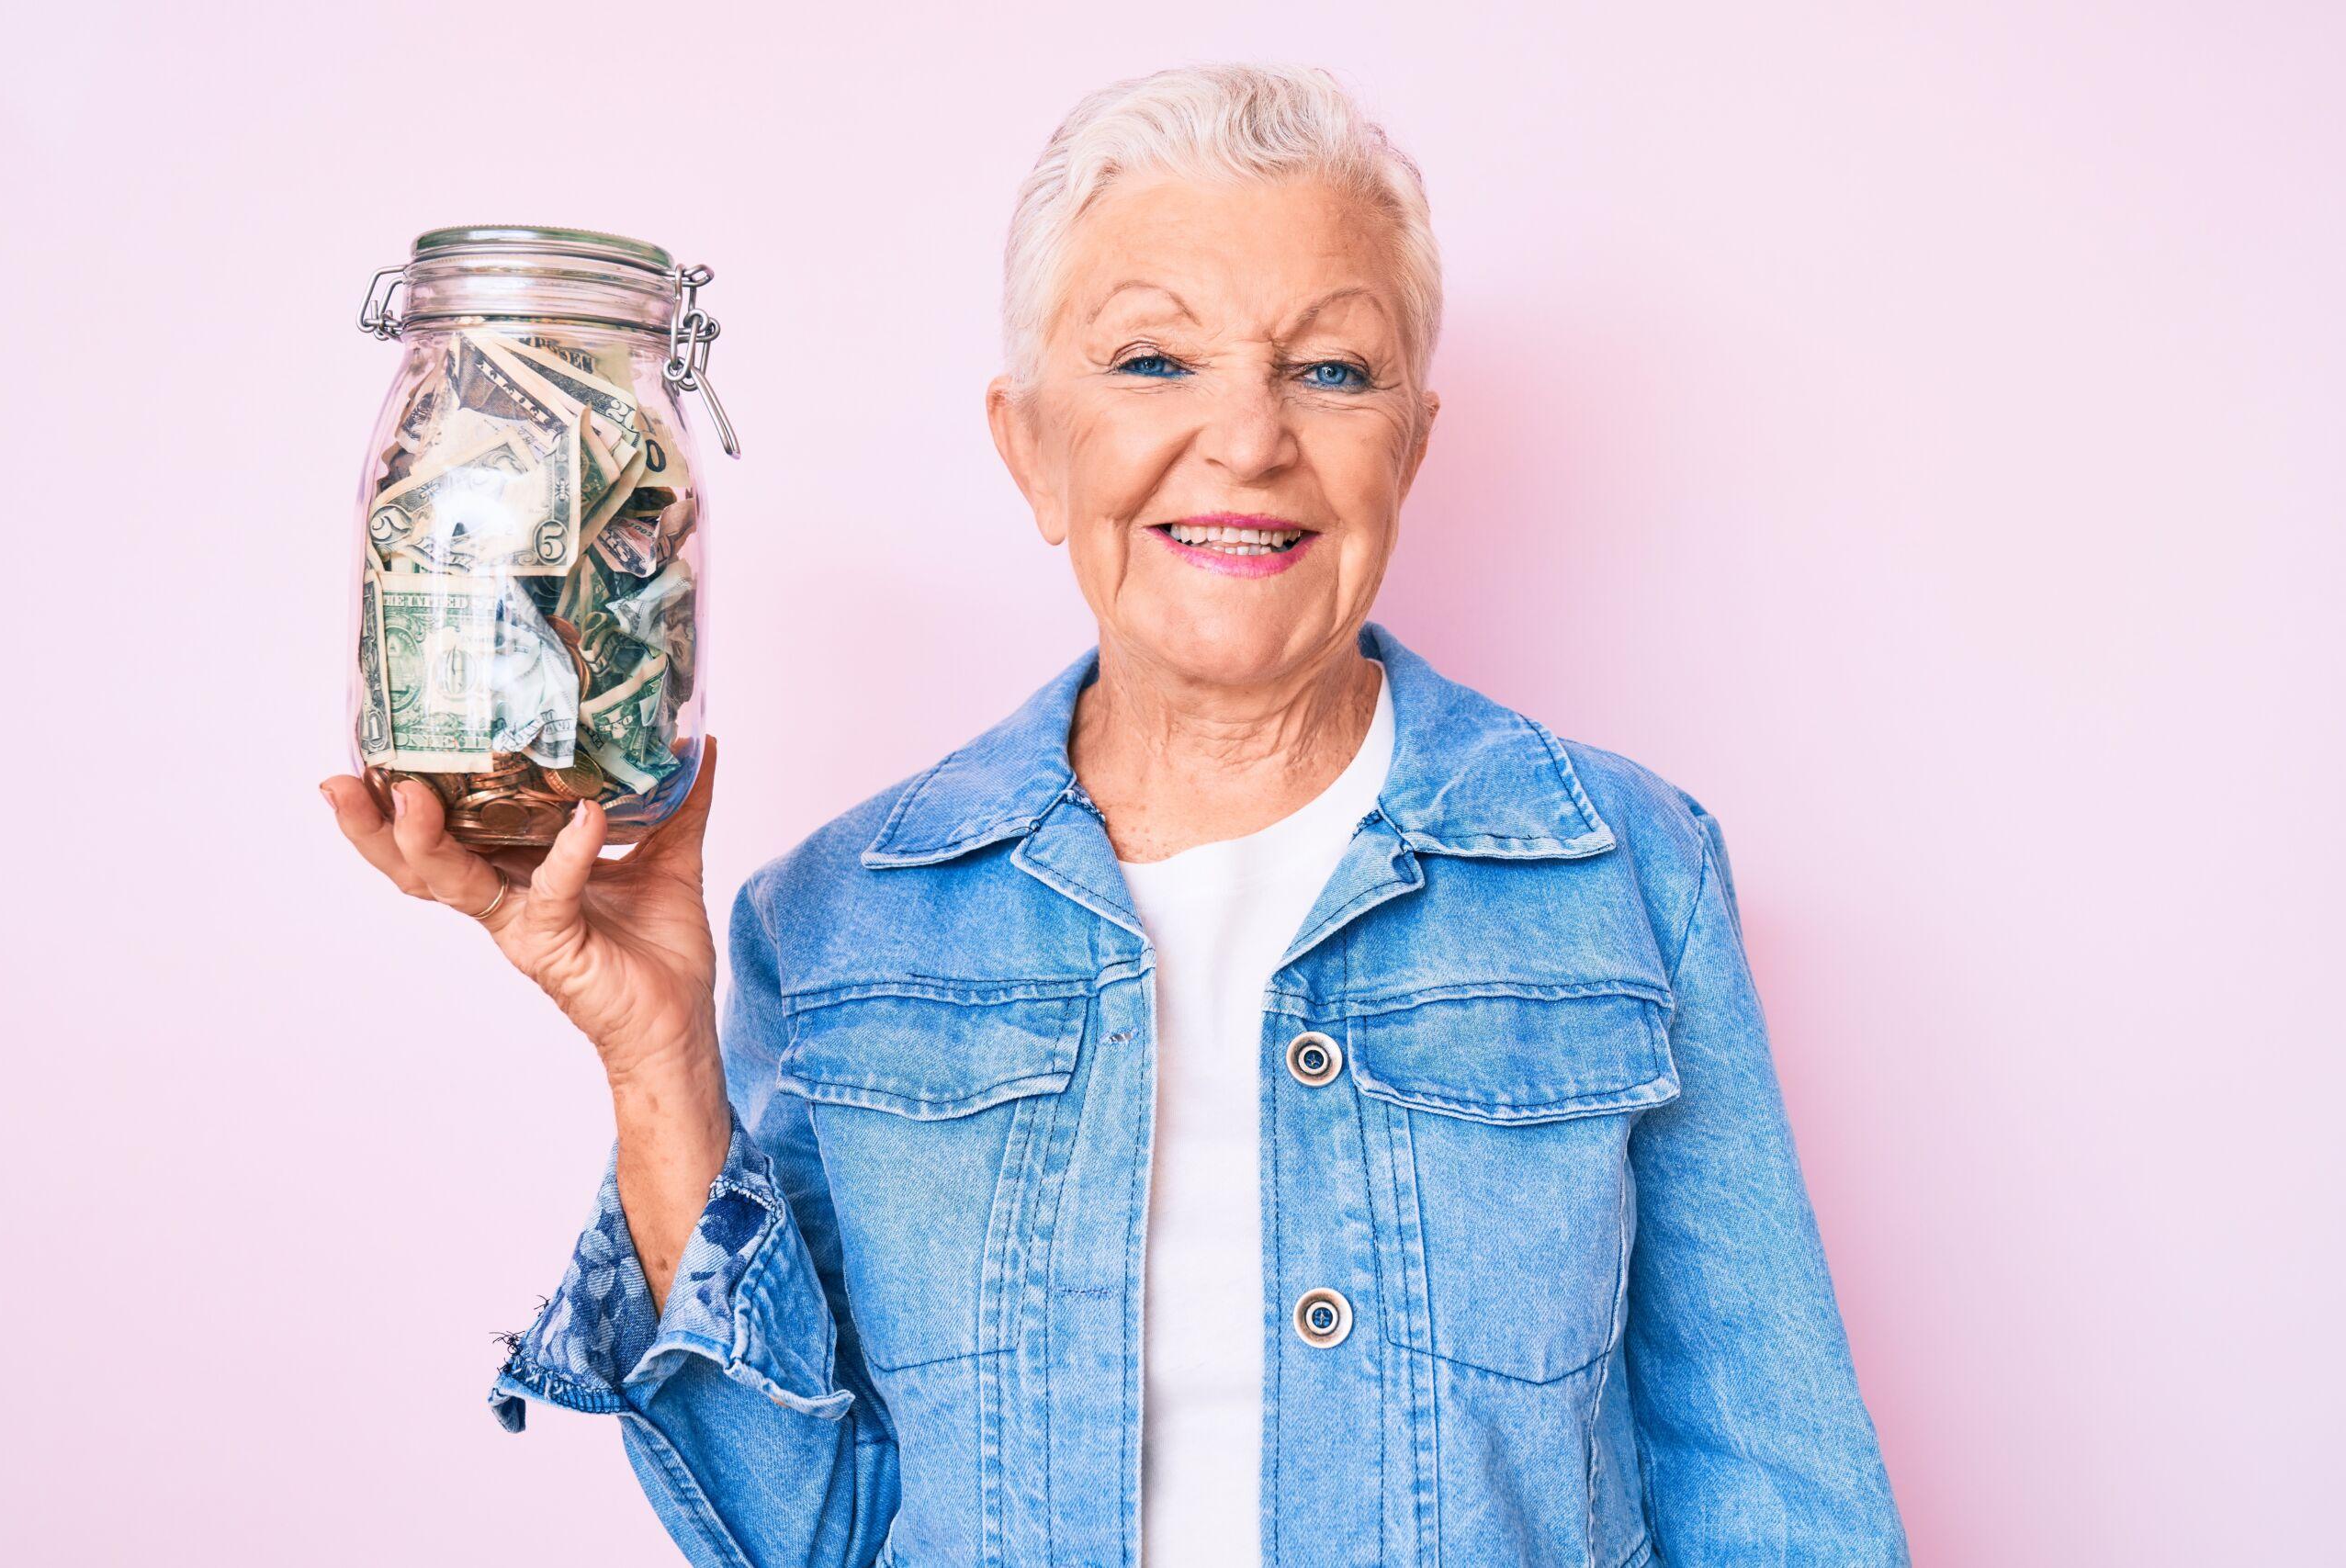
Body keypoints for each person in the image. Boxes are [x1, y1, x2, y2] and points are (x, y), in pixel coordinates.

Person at [321, 62, 1909, 1568]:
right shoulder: (837, 918)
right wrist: (653, 1053)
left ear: (1412, 447)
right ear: (1028, 447)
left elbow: (1783, 1507)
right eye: (1154, 360)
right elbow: (792, 1533)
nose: (1249, 438)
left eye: (1332, 369)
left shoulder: (1627, 875)